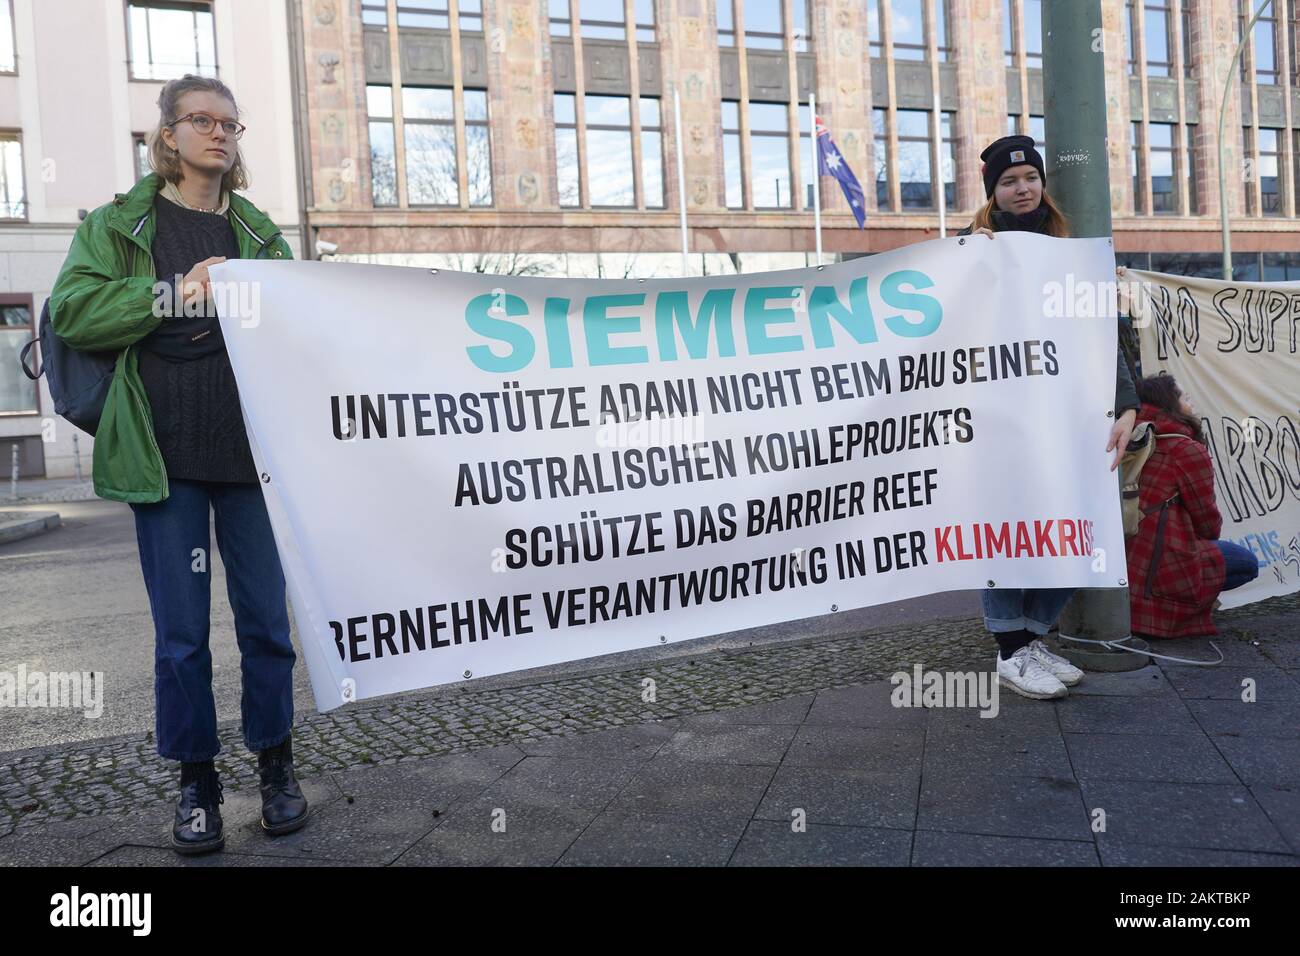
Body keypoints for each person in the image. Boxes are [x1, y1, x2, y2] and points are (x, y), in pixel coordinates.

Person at [49, 75, 306, 855]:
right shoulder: (119, 223)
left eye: (231, 124)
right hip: (164, 459)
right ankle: (197, 782)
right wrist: (169, 294)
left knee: (269, 626)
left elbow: (299, 329)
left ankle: (277, 766)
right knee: (182, 636)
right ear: (168, 135)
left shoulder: (260, 234)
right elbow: (72, 310)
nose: (220, 134)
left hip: (250, 458)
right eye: (202, 120)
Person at [958, 135, 1140, 699]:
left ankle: (1033, 637)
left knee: (1077, 530)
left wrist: (1127, 404)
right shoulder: (973, 251)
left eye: (1029, 179)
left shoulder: (1071, 253)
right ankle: (1009, 650)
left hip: (1069, 423)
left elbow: (1100, 337)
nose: (1022, 188)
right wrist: (970, 254)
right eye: (1009, 182)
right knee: (1009, 532)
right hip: (1003, 426)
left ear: (1042, 185)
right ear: (993, 192)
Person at [1126, 374, 1259, 637]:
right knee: (1247, 563)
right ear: (1170, 405)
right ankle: (1171, 609)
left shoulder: (1131, 435)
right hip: (1160, 565)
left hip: (1124, 562)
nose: (1192, 404)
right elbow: (1208, 523)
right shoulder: (1184, 447)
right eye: (1185, 398)